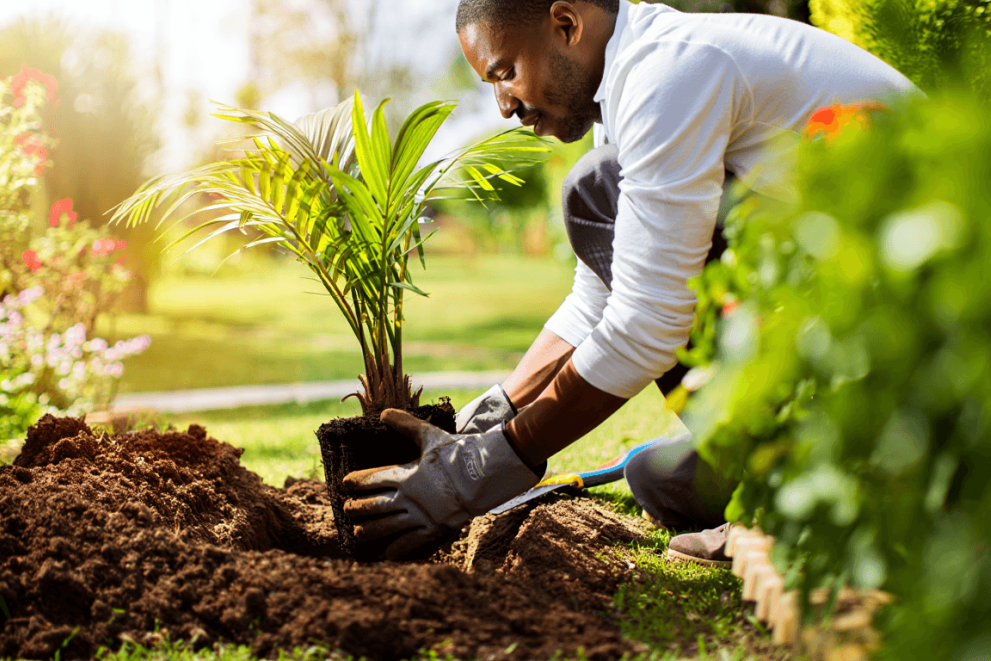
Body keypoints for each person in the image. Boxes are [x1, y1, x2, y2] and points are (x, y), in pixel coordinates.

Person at [343, 0, 918, 563]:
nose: (503, 105)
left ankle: (810, 497)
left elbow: (649, 318)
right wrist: (497, 409)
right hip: (850, 313)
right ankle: (800, 475)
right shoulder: (627, 90)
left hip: (918, 331)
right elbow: (597, 295)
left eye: (506, 73)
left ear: (565, 23)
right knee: (656, 479)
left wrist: (490, 463)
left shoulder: (669, 72)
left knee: (592, 190)